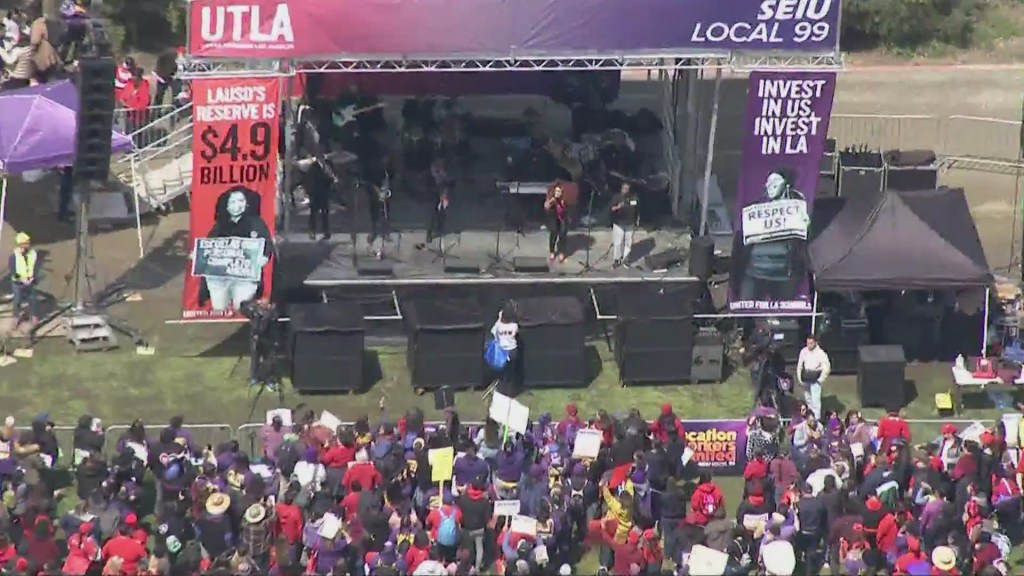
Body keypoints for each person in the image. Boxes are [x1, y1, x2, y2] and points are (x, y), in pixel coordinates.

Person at [733, 170, 809, 303]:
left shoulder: (798, 208)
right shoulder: (756, 207)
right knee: (745, 311)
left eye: (775, 181)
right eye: (768, 181)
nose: (770, 184)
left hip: (784, 273)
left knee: (783, 316)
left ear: (786, 185)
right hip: (755, 270)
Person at [198, 186, 274, 312]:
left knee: (242, 306)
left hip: (246, 276)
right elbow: (208, 245)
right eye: (233, 202)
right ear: (227, 206)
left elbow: (267, 243)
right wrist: (198, 255)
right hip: (222, 275)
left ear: (246, 204)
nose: (237, 205)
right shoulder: (220, 224)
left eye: (241, 201)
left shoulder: (256, 222)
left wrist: (264, 257)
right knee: (219, 306)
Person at [796, 335, 830, 419]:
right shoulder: (803, 351)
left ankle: (817, 419)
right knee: (808, 399)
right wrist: (800, 378)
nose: (809, 345)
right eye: (808, 343)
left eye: (811, 343)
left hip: (815, 379)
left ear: (815, 343)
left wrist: (821, 379)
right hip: (806, 378)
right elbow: (799, 365)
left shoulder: (821, 353)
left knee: (815, 401)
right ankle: (810, 417)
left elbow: (827, 367)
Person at [9, 232, 39, 324]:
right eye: (25, 243)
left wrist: (32, 278)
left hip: (30, 281)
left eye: (28, 243)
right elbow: (13, 271)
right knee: (17, 300)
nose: (27, 245)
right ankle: (15, 318)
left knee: (33, 299)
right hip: (18, 283)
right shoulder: (14, 256)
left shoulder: (33, 254)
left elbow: (35, 266)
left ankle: (34, 316)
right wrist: (22, 279)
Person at [491, 305, 520, 396]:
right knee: (512, 373)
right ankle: (511, 392)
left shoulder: (499, 326)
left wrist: (499, 319)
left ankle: (503, 391)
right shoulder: (514, 326)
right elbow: (517, 331)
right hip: (513, 350)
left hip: (503, 352)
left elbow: (493, 332)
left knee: (503, 374)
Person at [609, 182, 638, 268]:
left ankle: (625, 259)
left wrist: (637, 220)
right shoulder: (617, 197)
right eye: (624, 188)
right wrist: (618, 206)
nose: (625, 190)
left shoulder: (633, 197)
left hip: (630, 223)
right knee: (618, 242)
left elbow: (637, 209)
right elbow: (611, 209)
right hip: (619, 223)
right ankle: (617, 259)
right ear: (621, 188)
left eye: (627, 189)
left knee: (628, 242)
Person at [544, 184, 569, 263]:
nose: (557, 193)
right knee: (554, 233)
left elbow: (568, 209)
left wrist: (563, 204)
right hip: (554, 218)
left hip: (562, 218)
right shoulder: (551, 198)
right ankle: (552, 251)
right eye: (556, 191)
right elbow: (546, 207)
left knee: (562, 234)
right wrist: (551, 202)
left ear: (561, 193)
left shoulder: (564, 200)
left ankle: (562, 252)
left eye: (559, 191)